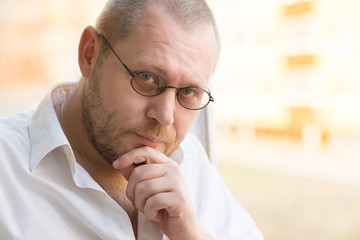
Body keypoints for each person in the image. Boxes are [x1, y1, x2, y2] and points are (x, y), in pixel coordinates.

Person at [0, 0, 263, 239]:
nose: (165, 116)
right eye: (147, 78)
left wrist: (191, 235)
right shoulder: (7, 168)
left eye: (188, 93)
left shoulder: (191, 161)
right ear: (89, 54)